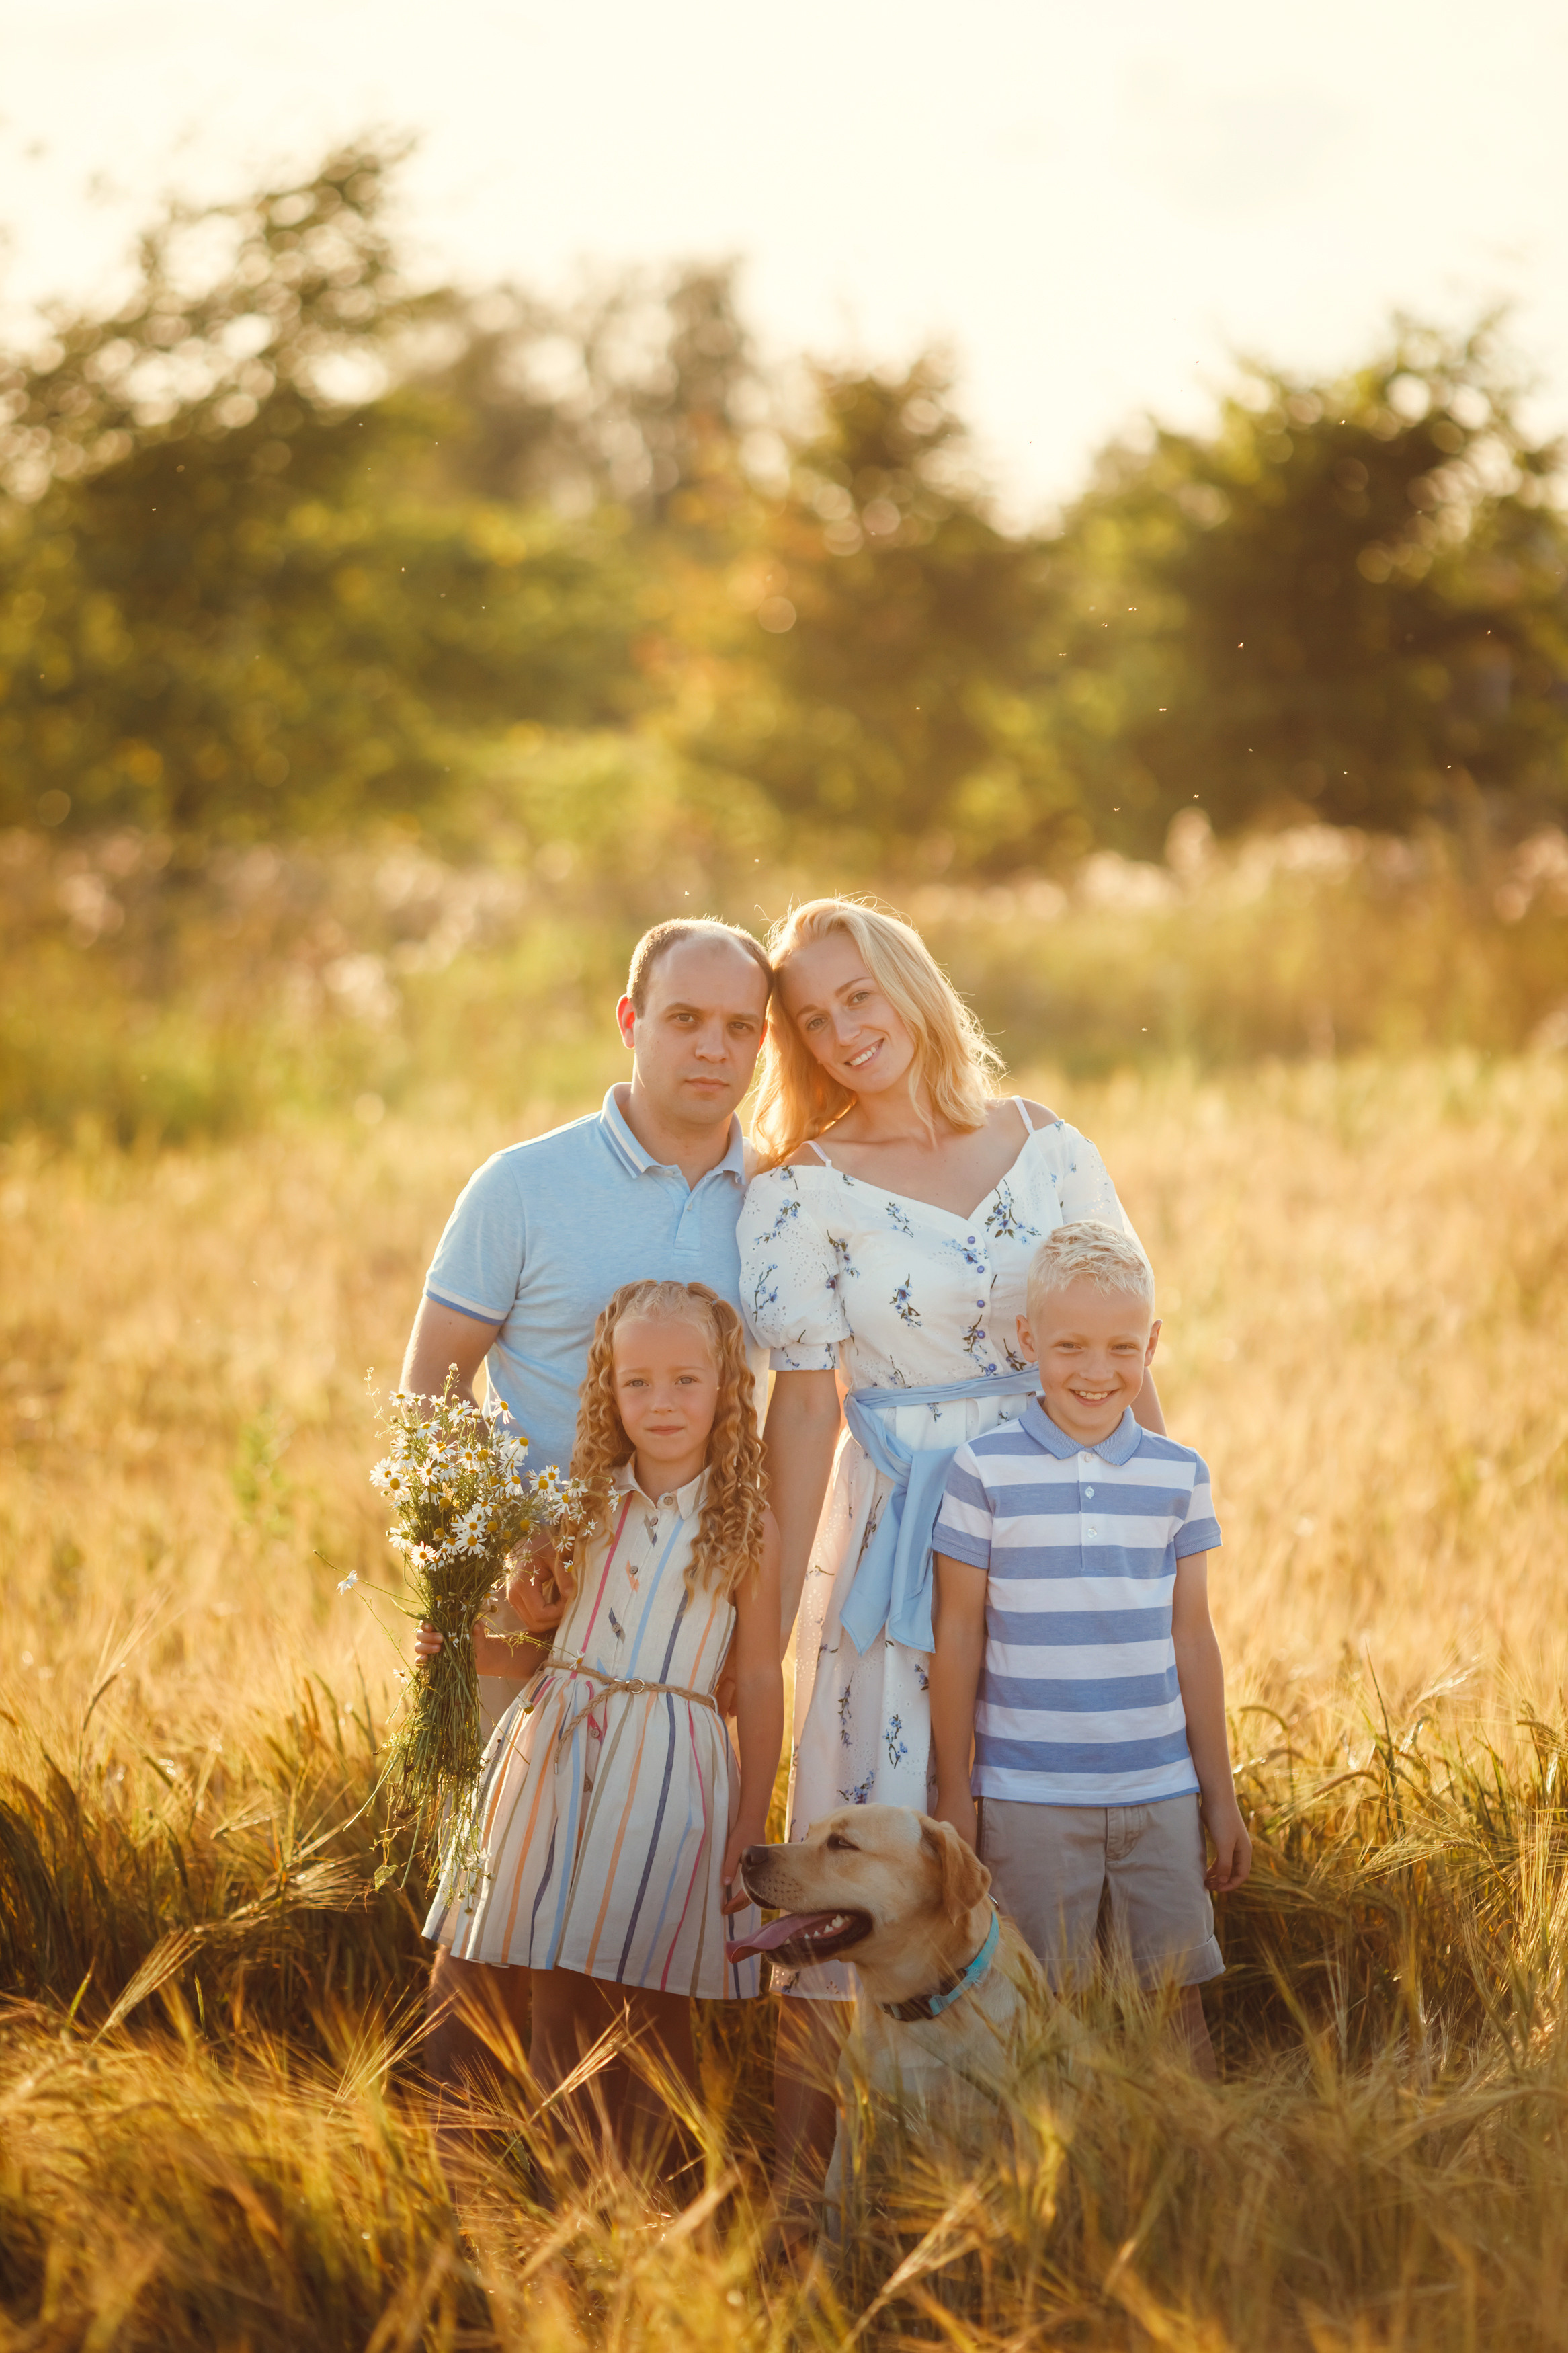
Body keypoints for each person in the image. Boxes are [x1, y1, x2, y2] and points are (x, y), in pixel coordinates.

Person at [734, 895, 1169, 2209]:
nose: (842, 1029)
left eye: (856, 995)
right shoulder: (796, 1189)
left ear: (908, 983)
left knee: (1063, 1843)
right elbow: (803, 1406)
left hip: (1061, 1530)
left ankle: (1081, 2174)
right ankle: (804, 2195)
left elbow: (1130, 1353)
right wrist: (763, 1621)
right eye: (812, 1018)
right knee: (873, 1859)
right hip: (903, 1550)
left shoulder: (1044, 1145)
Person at [399, 916, 772, 2098]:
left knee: (631, 1923)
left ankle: (607, 2197)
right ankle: (461, 2190)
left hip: (681, 1619)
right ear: (630, 1022)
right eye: (684, 1019)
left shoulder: (775, 1202)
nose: (712, 1049)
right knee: (488, 1917)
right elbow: (430, 1392)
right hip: (529, 1602)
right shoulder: (524, 1183)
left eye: (740, 1027)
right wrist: (475, 1572)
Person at [418, 1279, 783, 2163]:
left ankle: (665, 2208)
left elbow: (765, 1677)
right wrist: (471, 1635)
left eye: (686, 1382)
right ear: (608, 1392)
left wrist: (748, 1822)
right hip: (555, 1757)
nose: (661, 1403)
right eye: (638, 1383)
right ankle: (559, 2194)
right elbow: (537, 1631)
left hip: (667, 1771)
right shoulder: (580, 1505)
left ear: (726, 1388)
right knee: (554, 1980)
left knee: (650, 1995)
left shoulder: (746, 1526)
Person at [929, 1220, 1251, 2075]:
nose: (1095, 1369)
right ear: (1028, 1339)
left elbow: (1194, 1639)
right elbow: (956, 1635)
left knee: (1174, 2007)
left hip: (1157, 1791)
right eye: (1067, 1344)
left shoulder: (1177, 1473)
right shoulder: (982, 1470)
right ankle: (1050, 2194)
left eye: (1119, 1346)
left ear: (1151, 1343)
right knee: (1034, 2012)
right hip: (1026, 1796)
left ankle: (1199, 2186)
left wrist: (1216, 1797)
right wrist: (955, 1790)